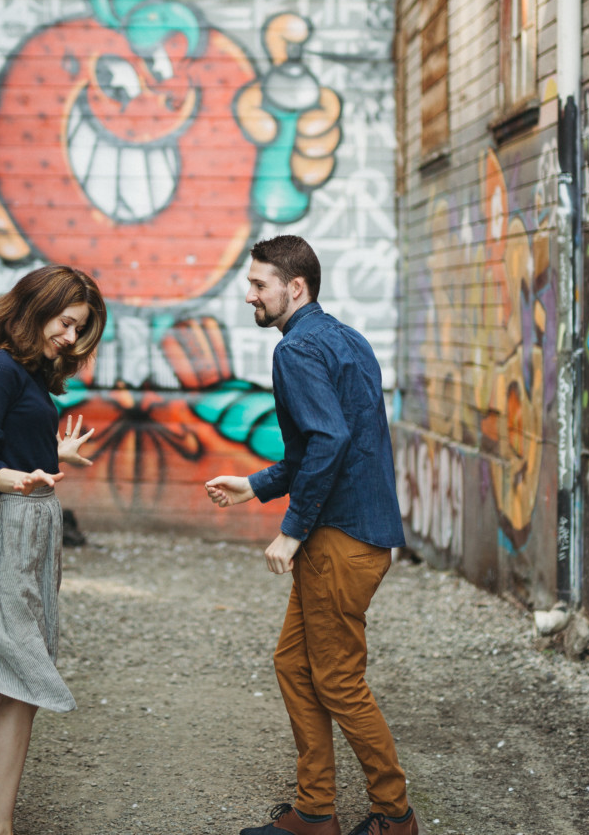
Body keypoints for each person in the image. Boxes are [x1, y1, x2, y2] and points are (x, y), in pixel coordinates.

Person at [206, 236, 417, 835]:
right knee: (294, 665)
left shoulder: (296, 351)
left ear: (294, 287)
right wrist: (256, 484)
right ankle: (314, 810)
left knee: (338, 679)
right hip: (360, 533)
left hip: (337, 539)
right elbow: (323, 443)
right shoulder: (347, 339)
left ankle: (394, 817)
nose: (249, 295)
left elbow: (329, 442)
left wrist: (292, 531)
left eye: (258, 285)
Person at [0, 264, 107, 835]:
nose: (71, 338)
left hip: (29, 528)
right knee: (23, 679)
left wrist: (53, 455)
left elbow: (17, 448)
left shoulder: (29, 372)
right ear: (34, 308)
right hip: (7, 529)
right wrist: (23, 480)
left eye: (79, 329)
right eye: (66, 322)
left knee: (9, 675)